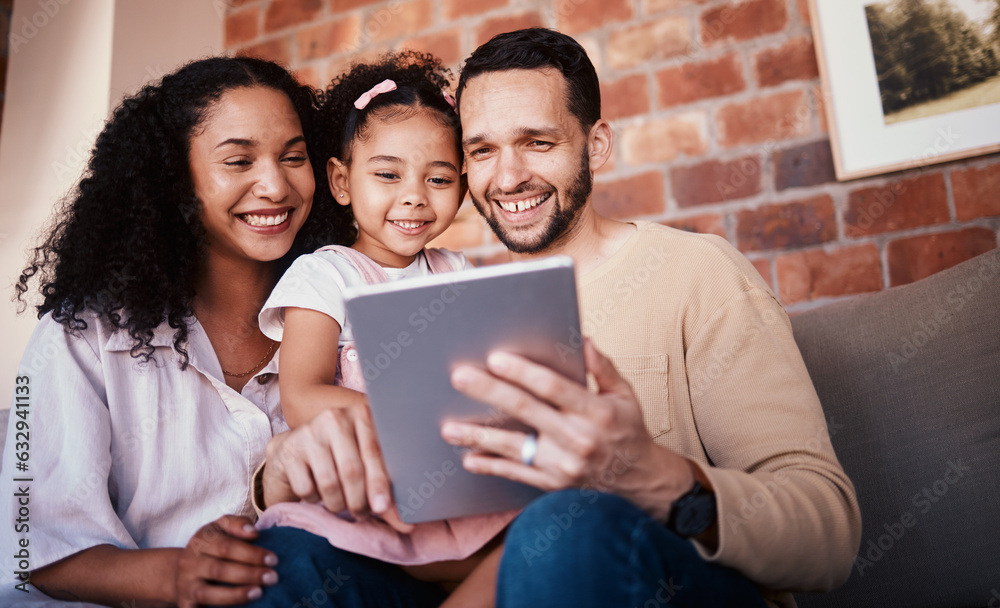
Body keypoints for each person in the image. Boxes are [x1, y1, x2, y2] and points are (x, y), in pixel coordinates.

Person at [249, 28, 862, 608]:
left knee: (564, 526)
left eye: (537, 142)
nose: (508, 176)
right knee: (288, 563)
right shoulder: (453, 297)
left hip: (649, 573)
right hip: (469, 570)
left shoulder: (695, 272)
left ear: (596, 144)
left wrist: (652, 477)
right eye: (481, 150)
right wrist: (279, 473)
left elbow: (828, 536)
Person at [0, 56, 353, 607]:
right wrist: (178, 574)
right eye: (238, 161)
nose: (274, 184)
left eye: (294, 157)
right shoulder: (81, 337)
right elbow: (36, 546)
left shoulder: (348, 316)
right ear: (175, 178)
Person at [252, 50, 515, 579]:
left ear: (462, 188)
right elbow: (301, 397)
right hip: (365, 484)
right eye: (388, 175)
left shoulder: (453, 269)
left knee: (529, 543)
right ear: (343, 181)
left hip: (454, 480)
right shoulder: (325, 275)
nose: (414, 197)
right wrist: (423, 421)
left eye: (438, 180)